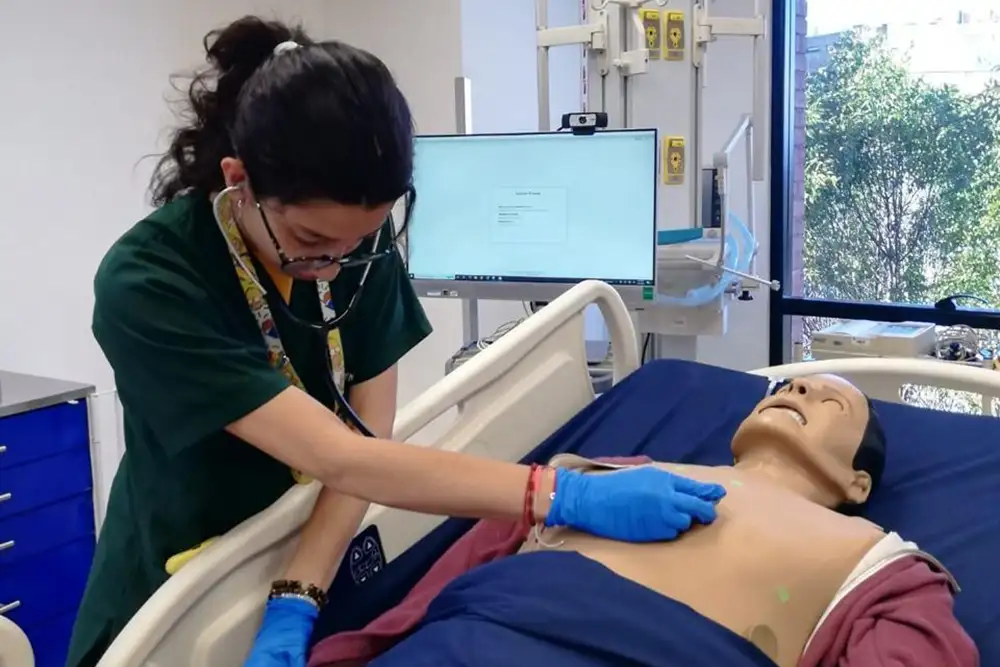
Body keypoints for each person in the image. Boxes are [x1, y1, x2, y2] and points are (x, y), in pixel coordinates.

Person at [64, 15, 728, 667]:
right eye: (313, 243)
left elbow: (366, 438)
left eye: (360, 240)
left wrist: (298, 591)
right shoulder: (149, 283)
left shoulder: (355, 235)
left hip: (308, 542)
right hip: (183, 586)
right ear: (240, 182)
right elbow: (342, 457)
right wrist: (564, 493)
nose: (337, 262)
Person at [308, 375, 978, 667]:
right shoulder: (601, 475)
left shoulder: (881, 565)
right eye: (788, 387)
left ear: (859, 481)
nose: (798, 389)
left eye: (828, 398)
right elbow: (446, 586)